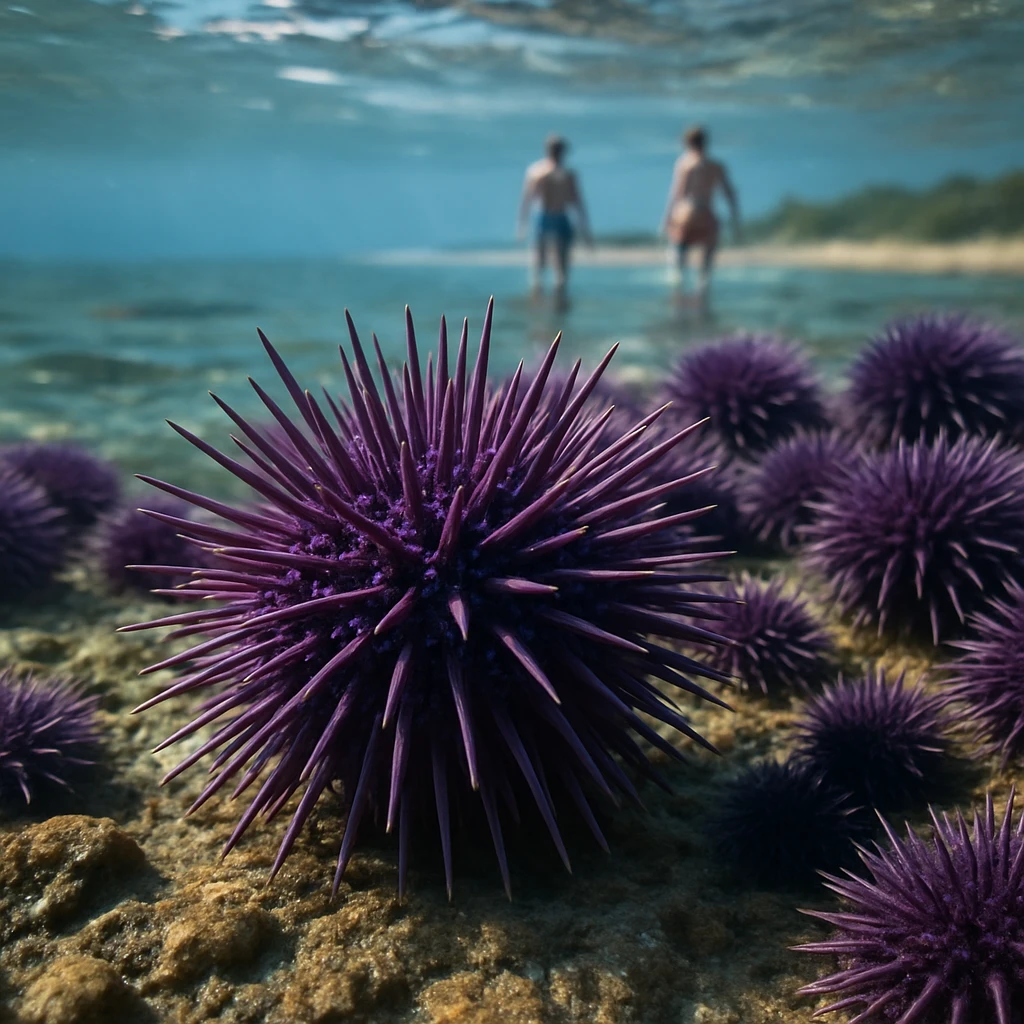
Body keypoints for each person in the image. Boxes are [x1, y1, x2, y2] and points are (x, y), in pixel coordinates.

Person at [661, 125, 740, 301]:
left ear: (687, 142)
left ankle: (678, 298)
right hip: (707, 213)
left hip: (686, 212)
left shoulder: (685, 164)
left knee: (678, 259)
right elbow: (730, 195)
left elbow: (677, 194)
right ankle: (702, 299)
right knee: (705, 269)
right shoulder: (716, 166)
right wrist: (735, 220)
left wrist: (667, 219)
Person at [517, 134, 592, 301]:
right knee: (539, 265)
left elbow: (578, 202)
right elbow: (527, 200)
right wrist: (522, 225)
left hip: (560, 217)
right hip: (544, 217)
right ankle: (539, 300)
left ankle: (558, 303)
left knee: (561, 268)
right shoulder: (538, 172)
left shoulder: (566, 174)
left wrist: (585, 229)